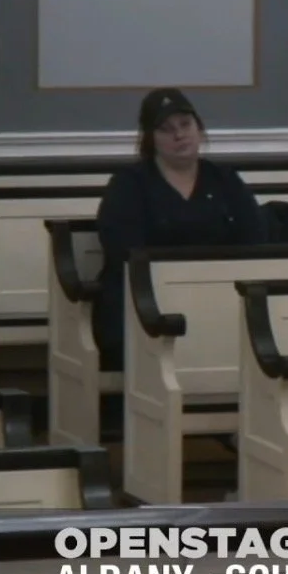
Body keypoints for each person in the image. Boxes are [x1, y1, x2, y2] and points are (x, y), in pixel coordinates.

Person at [93, 88, 267, 372]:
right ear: (150, 139)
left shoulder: (225, 180)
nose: (179, 135)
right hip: (146, 302)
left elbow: (256, 240)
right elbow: (122, 251)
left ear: (199, 128)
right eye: (166, 129)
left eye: (185, 125)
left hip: (218, 298)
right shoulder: (129, 184)